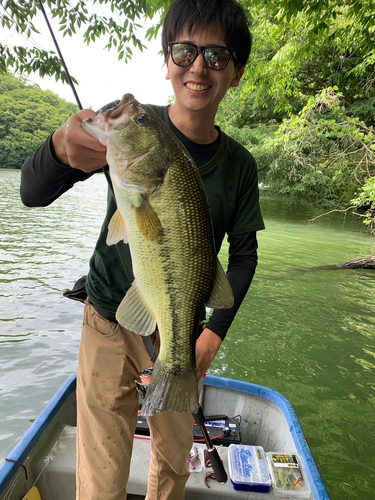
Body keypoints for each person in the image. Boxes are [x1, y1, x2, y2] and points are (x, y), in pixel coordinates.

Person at [20, 0, 265, 498]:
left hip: (178, 330)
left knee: (174, 466)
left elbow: (243, 255)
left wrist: (211, 335)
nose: (198, 66)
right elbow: (31, 192)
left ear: (236, 73)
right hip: (109, 317)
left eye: (217, 56)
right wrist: (59, 148)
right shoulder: (131, 134)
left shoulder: (239, 165)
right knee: (103, 470)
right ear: (167, 59)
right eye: (185, 50)